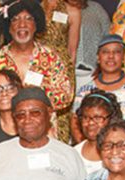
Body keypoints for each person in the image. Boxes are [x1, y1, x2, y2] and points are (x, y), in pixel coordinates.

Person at [0, 0, 73, 140]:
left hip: (43, 130)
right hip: (7, 131)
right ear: (9, 27)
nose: (22, 24)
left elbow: (66, 95)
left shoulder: (49, 57)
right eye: (15, 20)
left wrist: (33, 95)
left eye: (28, 19)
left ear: (35, 26)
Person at [73, 34, 125, 141]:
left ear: (123, 57)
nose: (111, 56)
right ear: (98, 57)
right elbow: (75, 124)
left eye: (116, 52)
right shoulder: (84, 91)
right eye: (105, 52)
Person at [37, 0, 84, 142]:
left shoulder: (73, 11)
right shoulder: (36, 8)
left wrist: (67, 77)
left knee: (61, 114)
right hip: (38, 67)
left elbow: (72, 50)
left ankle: (60, 150)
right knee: (38, 106)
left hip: (61, 69)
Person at [72, 90, 122, 175]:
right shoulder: (73, 154)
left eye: (98, 118)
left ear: (111, 119)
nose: (90, 123)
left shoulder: (124, 153)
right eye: (85, 117)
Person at [74, 0, 111, 91]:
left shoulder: (96, 9)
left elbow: (108, 38)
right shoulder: (58, 10)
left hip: (93, 73)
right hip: (66, 73)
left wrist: (102, 66)